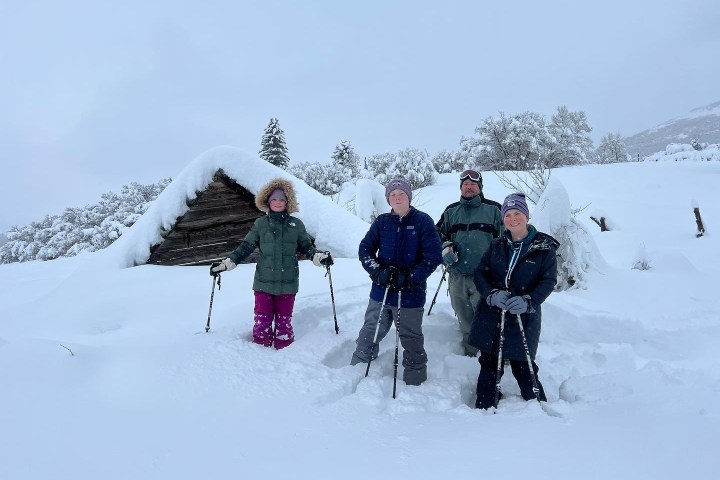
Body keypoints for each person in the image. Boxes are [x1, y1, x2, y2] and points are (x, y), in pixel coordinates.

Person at [210, 177, 332, 349]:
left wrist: (319, 258)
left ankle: (286, 353)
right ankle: (259, 353)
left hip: (287, 283)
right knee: (262, 321)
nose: (278, 202)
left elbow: (307, 248)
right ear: (267, 200)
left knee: (284, 322)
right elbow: (246, 247)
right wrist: (227, 263)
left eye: (282, 199)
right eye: (274, 198)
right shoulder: (260, 224)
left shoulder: (296, 225)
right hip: (263, 283)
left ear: (288, 202)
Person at [469, 193, 558, 409]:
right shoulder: (496, 245)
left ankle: (538, 408)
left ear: (526, 216)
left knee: (523, 363)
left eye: (517, 213)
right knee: (490, 362)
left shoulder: (544, 248)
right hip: (493, 314)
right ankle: (485, 408)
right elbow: (481, 273)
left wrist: (530, 301)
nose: (512, 218)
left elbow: (548, 281)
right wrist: (491, 294)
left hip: (523, 315)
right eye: (507, 214)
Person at [350, 177, 442, 386]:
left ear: (408, 196)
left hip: (410, 294)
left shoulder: (423, 221)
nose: (397, 197)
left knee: (410, 338)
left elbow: (433, 256)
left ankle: (415, 379)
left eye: (401, 194)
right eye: (393, 194)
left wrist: (411, 277)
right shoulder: (382, 222)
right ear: (388, 199)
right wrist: (377, 272)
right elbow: (365, 249)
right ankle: (357, 368)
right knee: (370, 330)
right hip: (381, 291)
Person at [436, 169, 503, 356]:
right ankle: (470, 355)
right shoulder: (451, 211)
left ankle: (493, 356)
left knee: (487, 318)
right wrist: (446, 246)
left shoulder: (494, 209)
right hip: (457, 276)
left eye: (473, 184)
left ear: (480, 187)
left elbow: (506, 239)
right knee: (465, 320)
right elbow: (436, 234)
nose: (469, 187)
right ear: (460, 188)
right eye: (465, 184)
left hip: (484, 277)